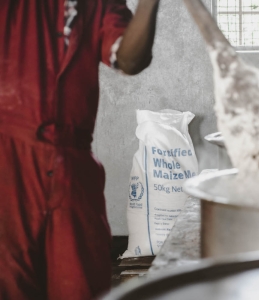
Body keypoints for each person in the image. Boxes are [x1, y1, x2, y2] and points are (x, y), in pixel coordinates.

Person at [0, 0, 160, 299]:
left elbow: (130, 60)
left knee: (81, 284)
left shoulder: (99, 4)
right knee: (11, 283)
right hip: (7, 167)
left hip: (72, 168)